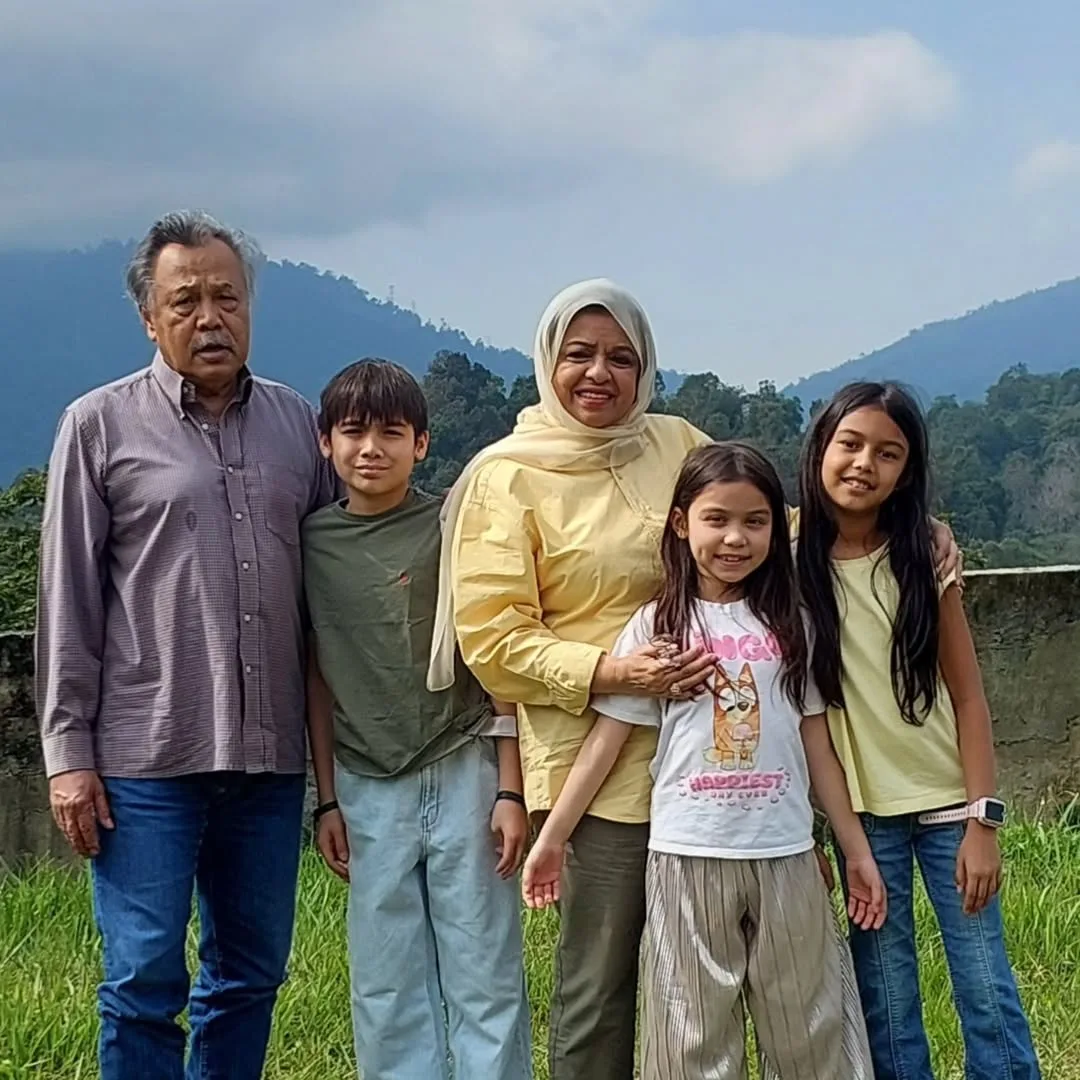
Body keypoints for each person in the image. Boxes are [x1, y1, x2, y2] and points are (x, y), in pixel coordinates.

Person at [432, 278, 962, 1080]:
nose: (599, 373)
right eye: (580, 354)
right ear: (547, 361)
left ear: (646, 366)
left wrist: (902, 526)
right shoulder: (506, 477)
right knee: (603, 990)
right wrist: (617, 671)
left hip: (742, 792)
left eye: (621, 357)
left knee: (772, 996)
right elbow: (493, 638)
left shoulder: (672, 440)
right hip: (602, 768)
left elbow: (761, 517)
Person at [35, 211, 335, 1079]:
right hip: (144, 761)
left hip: (267, 763)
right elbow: (67, 600)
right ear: (149, 317)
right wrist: (67, 756)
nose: (211, 318)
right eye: (187, 301)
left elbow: (335, 580)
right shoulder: (98, 425)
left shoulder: (296, 424)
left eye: (227, 298)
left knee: (250, 974)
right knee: (142, 980)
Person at [522, 441, 882, 1078]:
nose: (735, 538)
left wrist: (854, 851)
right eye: (717, 519)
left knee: (811, 1029)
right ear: (681, 523)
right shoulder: (657, 626)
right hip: (686, 855)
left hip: (785, 853)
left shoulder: (794, 624)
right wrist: (552, 838)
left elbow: (816, 744)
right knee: (689, 1039)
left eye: (755, 521)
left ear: (776, 528)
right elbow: (607, 740)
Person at [797, 381, 1041, 1080]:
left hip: (949, 810)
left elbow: (969, 699)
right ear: (820, 448)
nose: (863, 463)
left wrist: (983, 822)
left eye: (888, 453)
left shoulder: (923, 560)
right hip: (863, 821)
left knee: (986, 984)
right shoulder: (787, 561)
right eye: (849, 444)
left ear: (907, 473)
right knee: (887, 995)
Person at [303, 359, 533, 1079]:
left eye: (392, 433)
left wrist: (511, 787)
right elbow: (315, 673)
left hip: (464, 763)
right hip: (365, 781)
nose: (371, 449)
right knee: (385, 981)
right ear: (325, 443)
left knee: (485, 971)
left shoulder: (453, 529)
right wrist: (327, 799)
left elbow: (493, 652)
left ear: (422, 444)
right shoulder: (309, 543)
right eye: (353, 432)